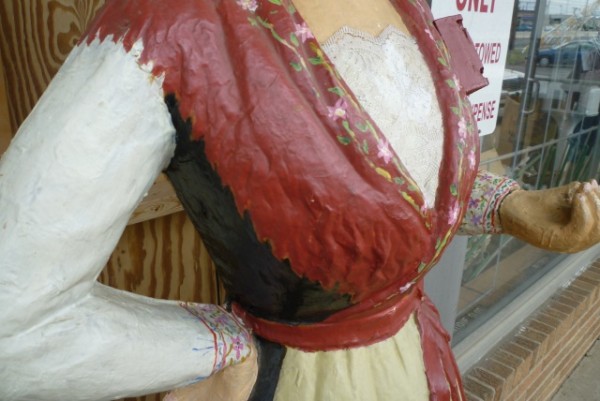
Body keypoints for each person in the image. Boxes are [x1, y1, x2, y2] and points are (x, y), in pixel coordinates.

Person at [0, 0, 598, 400]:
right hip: (306, 383)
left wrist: (507, 206)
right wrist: (219, 349)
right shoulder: (170, 23)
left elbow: (401, 190)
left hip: (420, 362)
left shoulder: (408, 8)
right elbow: (14, 323)